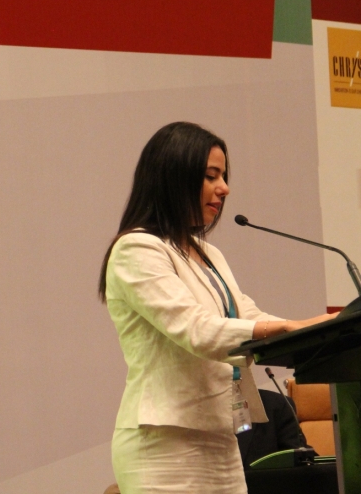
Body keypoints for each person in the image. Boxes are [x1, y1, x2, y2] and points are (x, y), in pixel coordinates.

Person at [98, 122, 333, 494]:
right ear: (174, 176)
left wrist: (315, 326)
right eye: (211, 176)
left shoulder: (209, 254)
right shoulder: (137, 249)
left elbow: (246, 316)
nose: (224, 188)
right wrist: (287, 327)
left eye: (223, 176)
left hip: (223, 436)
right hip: (163, 442)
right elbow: (198, 330)